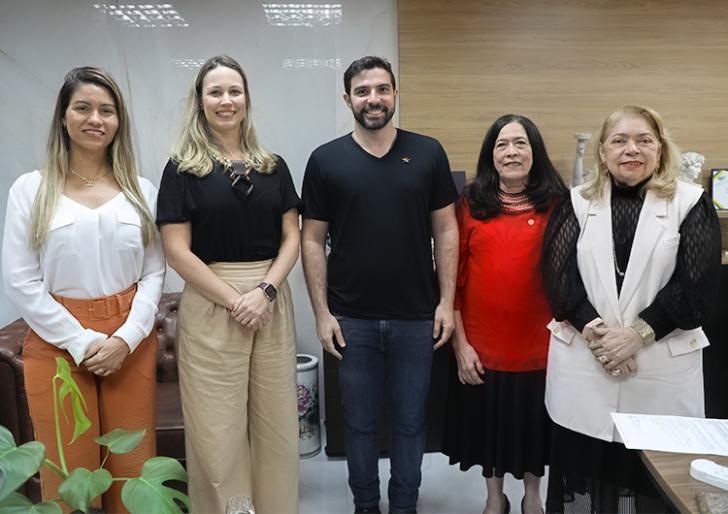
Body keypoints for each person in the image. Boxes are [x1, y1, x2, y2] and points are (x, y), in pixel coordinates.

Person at [542, 105, 721, 513]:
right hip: (587, 366)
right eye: (619, 140)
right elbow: (558, 280)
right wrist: (602, 336)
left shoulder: (691, 203)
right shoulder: (575, 202)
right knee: (584, 481)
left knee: (652, 482)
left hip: (658, 368)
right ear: (602, 152)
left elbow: (696, 291)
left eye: (644, 140)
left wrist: (634, 336)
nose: (631, 149)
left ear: (660, 149)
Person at [2, 66, 164, 514]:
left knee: (132, 474)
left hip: (130, 341)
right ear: (64, 117)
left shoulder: (141, 190)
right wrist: (82, 340)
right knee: (68, 478)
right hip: (56, 342)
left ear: (118, 122)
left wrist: (125, 339)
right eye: (84, 107)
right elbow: (19, 278)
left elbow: (155, 273)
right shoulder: (30, 190)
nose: (96, 118)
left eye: (107, 110)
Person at [301, 55, 459, 514]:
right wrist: (322, 313)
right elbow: (312, 240)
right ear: (347, 98)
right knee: (360, 424)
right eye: (363, 91)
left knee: (411, 424)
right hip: (352, 319)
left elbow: (447, 230)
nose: (374, 99)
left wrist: (447, 302)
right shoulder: (326, 159)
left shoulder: (428, 152)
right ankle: (366, 507)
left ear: (395, 94)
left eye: (382, 89)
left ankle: (404, 507)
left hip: (416, 316)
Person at [156, 55, 301, 514]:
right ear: (200, 102)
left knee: (276, 426)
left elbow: (292, 236)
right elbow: (177, 250)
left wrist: (266, 292)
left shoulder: (273, 166)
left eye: (234, 91)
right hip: (212, 300)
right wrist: (238, 299)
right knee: (217, 432)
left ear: (247, 99)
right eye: (215, 92)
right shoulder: (182, 169)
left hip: (271, 300)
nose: (226, 101)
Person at [442, 114, 567, 514]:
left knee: (534, 427)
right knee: (489, 427)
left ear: (535, 152)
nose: (511, 151)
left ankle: (533, 495)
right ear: (490, 154)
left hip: (541, 346)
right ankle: (494, 497)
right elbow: (453, 283)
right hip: (483, 346)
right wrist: (460, 346)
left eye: (520, 143)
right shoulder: (469, 205)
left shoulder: (560, 205)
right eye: (501, 144)